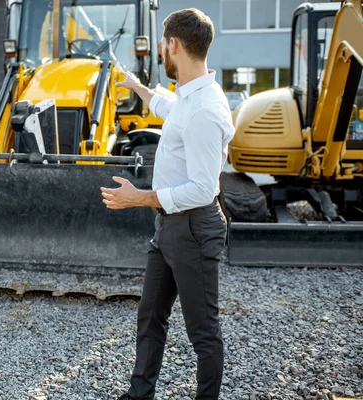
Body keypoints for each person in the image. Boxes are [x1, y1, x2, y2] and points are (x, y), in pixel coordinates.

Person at [101, 8, 234, 400]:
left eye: (163, 43)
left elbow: (202, 189)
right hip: (170, 227)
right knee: (151, 316)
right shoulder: (191, 97)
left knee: (203, 331)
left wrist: (138, 198)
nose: (161, 49)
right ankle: (139, 394)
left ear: (174, 45)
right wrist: (137, 87)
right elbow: (170, 111)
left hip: (193, 227)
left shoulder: (207, 110)